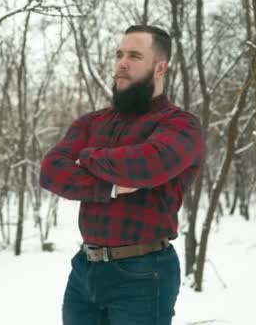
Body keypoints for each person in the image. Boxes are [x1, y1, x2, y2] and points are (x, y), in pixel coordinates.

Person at [39, 25, 204, 325]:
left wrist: (87, 156)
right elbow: (51, 170)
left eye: (134, 55)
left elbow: (148, 165)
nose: (121, 63)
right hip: (85, 269)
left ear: (160, 67)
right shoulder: (93, 122)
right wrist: (110, 187)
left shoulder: (181, 124)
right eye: (119, 54)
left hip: (143, 272)